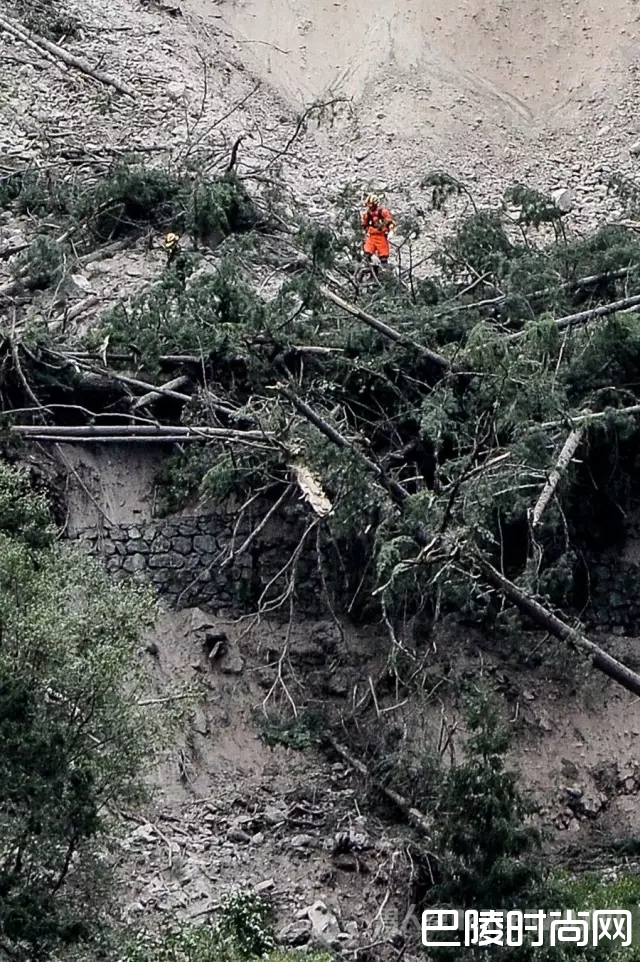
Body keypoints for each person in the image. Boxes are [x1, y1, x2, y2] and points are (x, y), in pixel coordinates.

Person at [361, 194, 395, 275]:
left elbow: (390, 221)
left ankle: (384, 270)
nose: (370, 208)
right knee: (367, 251)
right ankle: (366, 266)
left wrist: (391, 231)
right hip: (372, 236)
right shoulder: (367, 214)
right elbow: (364, 224)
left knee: (383, 254)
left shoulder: (383, 212)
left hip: (381, 236)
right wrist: (366, 231)